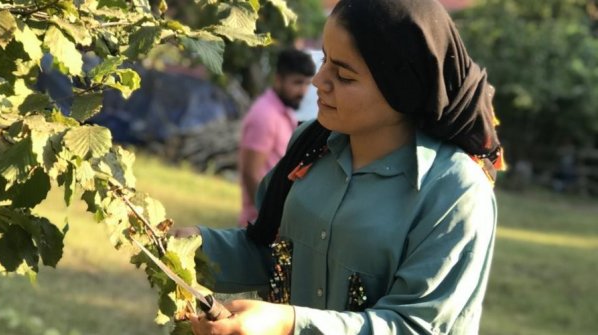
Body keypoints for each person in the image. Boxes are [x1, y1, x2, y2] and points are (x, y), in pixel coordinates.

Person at [176, 0, 506, 333]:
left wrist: (290, 324)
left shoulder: (454, 192)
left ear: (402, 88)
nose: (319, 81)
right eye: (324, 60)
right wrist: (192, 246)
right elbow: (272, 254)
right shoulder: (312, 146)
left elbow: (415, 325)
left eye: (344, 75)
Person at [238, 49, 316, 227]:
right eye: (297, 83)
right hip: (261, 224)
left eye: (306, 84)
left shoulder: (283, 112)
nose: (302, 91)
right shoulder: (264, 115)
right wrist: (268, 218)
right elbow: (250, 173)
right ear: (278, 79)